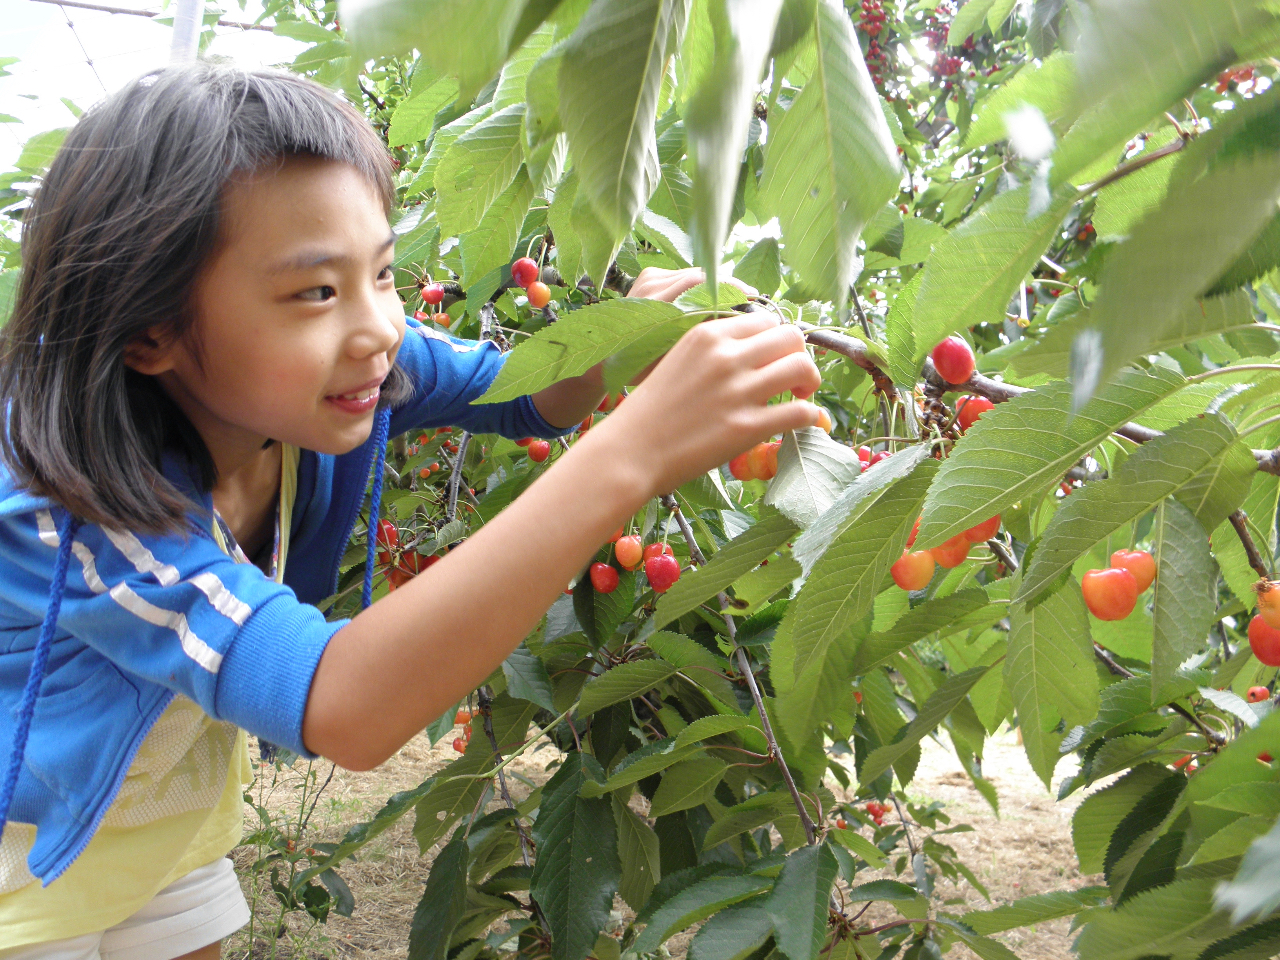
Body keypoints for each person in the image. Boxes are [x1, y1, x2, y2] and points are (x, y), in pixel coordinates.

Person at [0, 62, 820, 959]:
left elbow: (521, 393)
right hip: (28, 861)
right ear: (150, 330)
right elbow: (341, 704)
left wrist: (624, 340)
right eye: (317, 290)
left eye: (383, 272)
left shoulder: (342, 372)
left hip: (166, 819)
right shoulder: (71, 508)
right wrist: (633, 454)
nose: (380, 328)